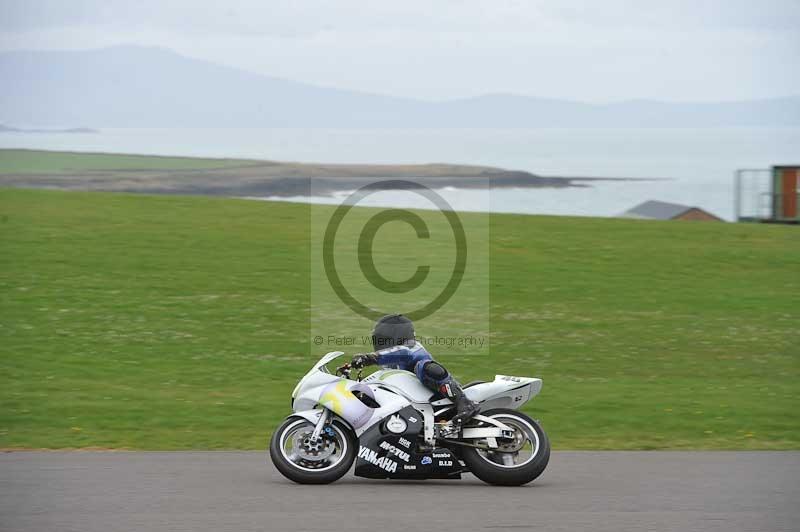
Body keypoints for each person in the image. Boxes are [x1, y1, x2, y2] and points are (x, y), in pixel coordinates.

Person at [349, 314, 479, 424]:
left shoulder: (411, 348)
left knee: (424, 367)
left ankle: (464, 402)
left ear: (396, 337)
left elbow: (402, 352)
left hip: (435, 400)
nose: (378, 344)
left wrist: (369, 358)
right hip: (412, 406)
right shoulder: (389, 364)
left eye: (381, 340)